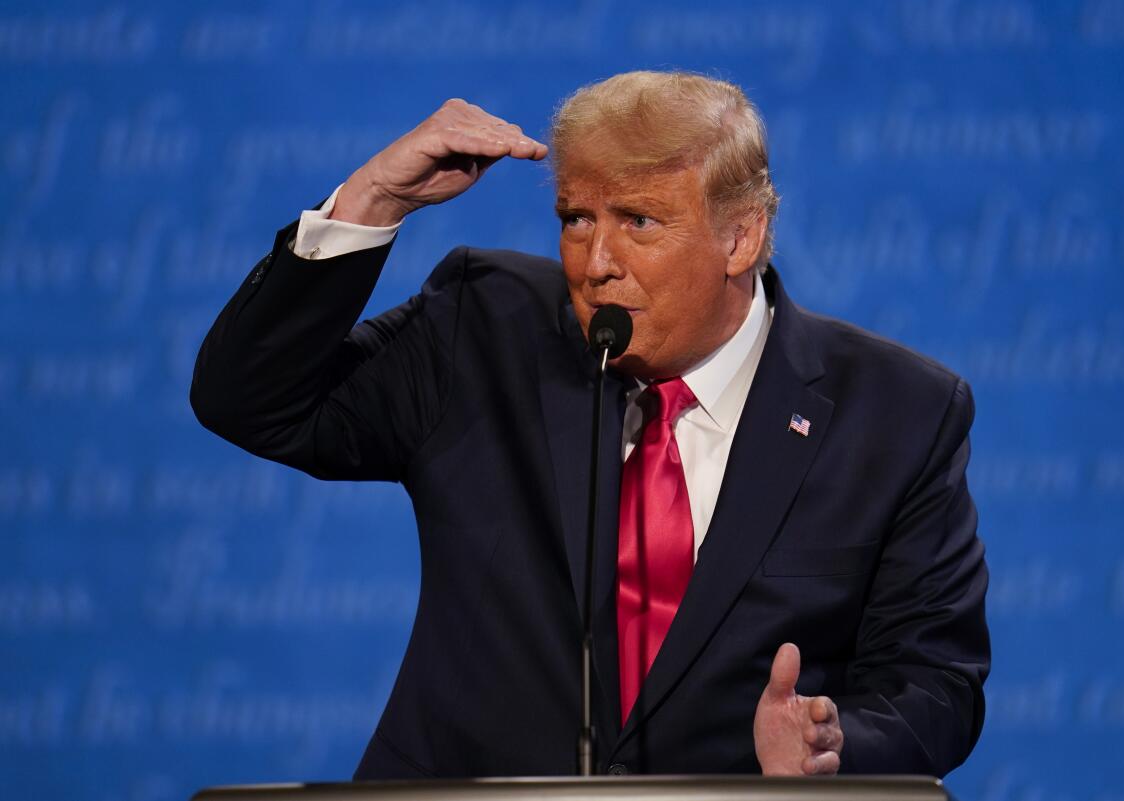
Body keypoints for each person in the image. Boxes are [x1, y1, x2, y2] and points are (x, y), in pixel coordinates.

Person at [191, 71, 989, 780]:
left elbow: (937, 684)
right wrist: (372, 201)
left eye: (639, 221)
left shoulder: (895, 413)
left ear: (739, 236)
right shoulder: (488, 330)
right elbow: (252, 398)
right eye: (576, 218)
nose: (596, 261)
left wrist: (831, 745)